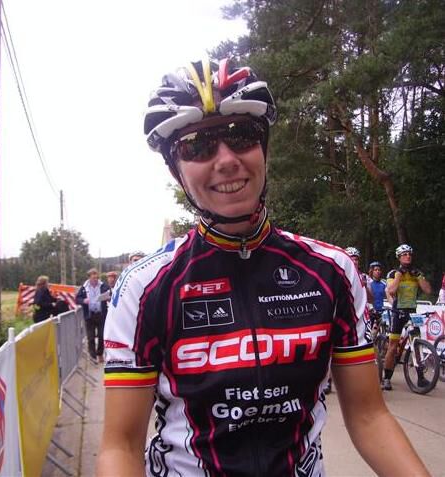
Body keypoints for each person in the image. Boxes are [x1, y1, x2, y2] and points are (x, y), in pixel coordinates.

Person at [97, 58, 430, 476]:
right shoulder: (144, 287)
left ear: (264, 147)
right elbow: (121, 447)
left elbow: (370, 418)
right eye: (197, 146)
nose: (225, 159)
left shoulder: (332, 271)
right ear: (175, 169)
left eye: (241, 136)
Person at [383, 244, 432, 391]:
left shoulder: (416, 273)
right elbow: (391, 291)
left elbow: (428, 290)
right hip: (398, 312)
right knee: (393, 346)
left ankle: (421, 377)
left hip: (412, 312)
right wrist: (399, 274)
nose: (408, 256)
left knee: (416, 344)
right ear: (399, 257)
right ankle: (387, 378)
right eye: (404, 254)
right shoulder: (393, 273)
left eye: (409, 254)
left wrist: (419, 276)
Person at [76, 268, 110, 364]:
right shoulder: (84, 287)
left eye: (96, 278)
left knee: (101, 335)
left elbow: (111, 294)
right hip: (90, 315)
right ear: (89, 278)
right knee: (90, 337)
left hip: (101, 314)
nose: (95, 279)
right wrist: (83, 301)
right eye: (93, 278)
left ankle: (100, 354)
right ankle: (93, 356)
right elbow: (77, 298)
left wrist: (108, 297)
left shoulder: (103, 286)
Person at [367, 261, 387, 335]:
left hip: (381, 311)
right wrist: (370, 308)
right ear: (372, 271)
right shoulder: (368, 283)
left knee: (384, 332)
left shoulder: (384, 283)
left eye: (379, 270)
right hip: (371, 311)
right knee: (371, 333)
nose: (378, 271)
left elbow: (389, 295)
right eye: (375, 270)